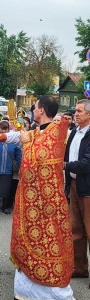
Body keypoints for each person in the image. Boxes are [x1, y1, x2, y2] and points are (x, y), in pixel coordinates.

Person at [0, 96, 74, 299]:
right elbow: (18, 136)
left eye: (34, 107)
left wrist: (28, 143)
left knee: (48, 243)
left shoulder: (57, 131)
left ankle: (52, 293)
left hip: (47, 204)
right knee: (28, 243)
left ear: (41, 110)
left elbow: (41, 158)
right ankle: (27, 289)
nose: (32, 111)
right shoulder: (36, 132)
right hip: (30, 201)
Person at [64, 99, 90, 282]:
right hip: (74, 185)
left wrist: (64, 165)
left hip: (87, 188)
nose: (76, 114)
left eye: (80, 111)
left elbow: (87, 163)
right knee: (76, 230)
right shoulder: (75, 132)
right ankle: (80, 268)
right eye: (76, 111)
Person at [0, 121, 22, 214]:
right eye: (2, 128)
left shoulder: (13, 141)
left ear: (8, 129)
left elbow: (19, 155)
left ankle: (5, 207)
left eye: (5, 128)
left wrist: (19, 167)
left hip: (8, 169)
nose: (3, 130)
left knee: (7, 189)